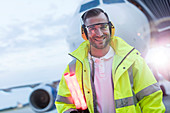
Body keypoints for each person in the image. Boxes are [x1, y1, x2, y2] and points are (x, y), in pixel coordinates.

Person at [55, 8, 165, 113]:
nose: (99, 33)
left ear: (111, 28)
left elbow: (151, 99)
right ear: (84, 33)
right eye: (92, 29)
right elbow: (63, 103)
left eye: (103, 27)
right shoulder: (74, 68)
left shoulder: (133, 61)